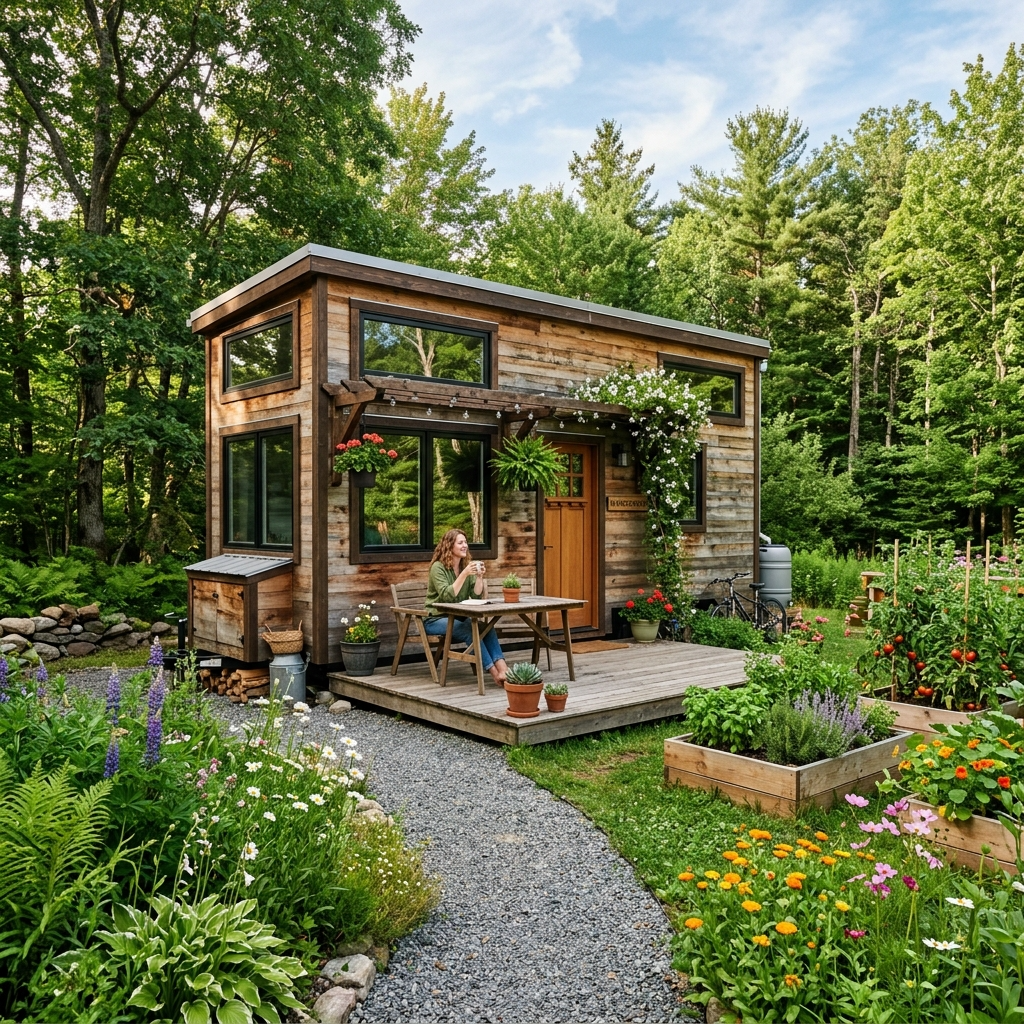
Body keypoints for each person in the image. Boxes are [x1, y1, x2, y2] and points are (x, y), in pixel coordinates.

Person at [424, 528, 508, 686]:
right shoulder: (438, 567)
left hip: (458, 618)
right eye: (460, 542)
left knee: (486, 627)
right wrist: (464, 574)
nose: (465, 546)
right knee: (469, 629)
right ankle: (495, 674)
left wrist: (479, 577)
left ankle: (504, 669)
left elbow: (475, 595)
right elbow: (447, 596)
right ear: (449, 546)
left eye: (465, 542)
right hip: (435, 619)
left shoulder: (465, 566)